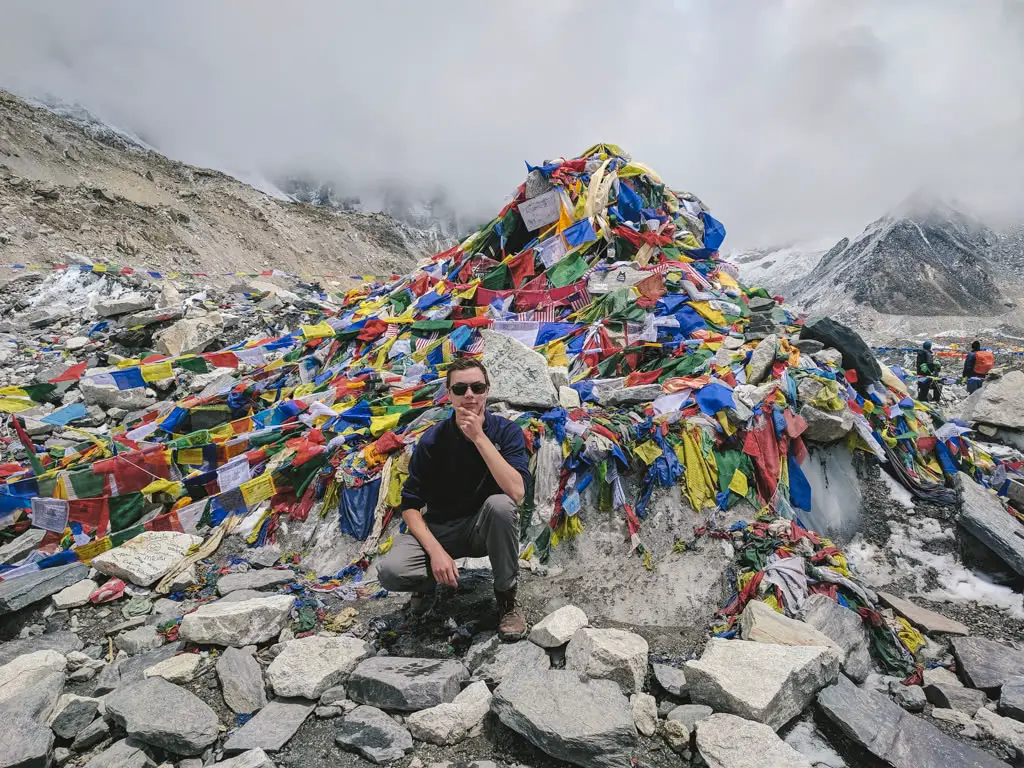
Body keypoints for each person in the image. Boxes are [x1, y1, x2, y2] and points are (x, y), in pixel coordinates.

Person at [376, 358, 530, 640]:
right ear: (449, 394)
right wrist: (436, 552)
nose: (469, 395)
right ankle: (425, 588)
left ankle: (507, 600)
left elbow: (517, 492)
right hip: (440, 529)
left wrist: (479, 438)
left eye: (477, 387)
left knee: (501, 505)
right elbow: (409, 506)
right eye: (460, 389)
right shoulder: (433, 441)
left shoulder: (507, 433)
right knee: (390, 571)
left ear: (487, 390)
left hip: (482, 528)